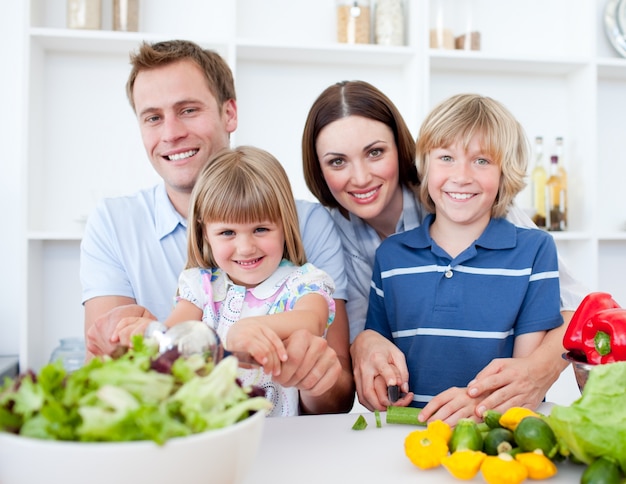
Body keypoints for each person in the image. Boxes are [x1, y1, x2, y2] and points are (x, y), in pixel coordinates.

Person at [80, 40, 355, 415]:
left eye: (188, 110)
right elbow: (155, 349)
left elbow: (335, 382)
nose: (171, 132)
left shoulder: (308, 244)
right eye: (153, 117)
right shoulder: (193, 278)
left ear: (229, 113)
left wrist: (276, 347)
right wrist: (139, 336)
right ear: (204, 234)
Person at [301, 80, 589, 422]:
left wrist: (531, 374)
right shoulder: (346, 239)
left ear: (403, 150)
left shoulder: (511, 228)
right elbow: (366, 340)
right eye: (337, 161)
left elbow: (579, 310)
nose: (360, 177)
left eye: (375, 152)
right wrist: (366, 341)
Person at [365, 93, 563, 422]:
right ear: (425, 165)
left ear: (504, 172)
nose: (461, 175)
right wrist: (378, 387)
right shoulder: (391, 256)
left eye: (481, 161)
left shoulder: (535, 251)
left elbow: (523, 379)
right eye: (446, 157)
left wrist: (480, 407)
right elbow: (381, 359)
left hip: (494, 438)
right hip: (406, 438)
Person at [113, 146, 336, 417]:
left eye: (261, 229)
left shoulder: (303, 282)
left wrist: (250, 328)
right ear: (204, 232)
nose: (245, 247)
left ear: (285, 223)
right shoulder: (200, 285)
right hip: (212, 433)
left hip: (283, 437)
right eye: (227, 232)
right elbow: (174, 335)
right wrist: (147, 337)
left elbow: (311, 319)